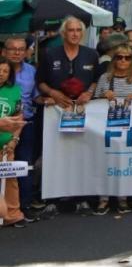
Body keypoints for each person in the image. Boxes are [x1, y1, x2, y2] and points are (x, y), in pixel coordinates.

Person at [37, 15, 101, 213]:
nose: (75, 34)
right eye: (71, 30)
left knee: (82, 154)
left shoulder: (91, 54)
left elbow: (96, 80)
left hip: (82, 112)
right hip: (56, 112)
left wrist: (89, 92)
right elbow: (40, 82)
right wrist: (53, 93)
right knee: (54, 155)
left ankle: (81, 198)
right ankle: (52, 198)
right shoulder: (49, 53)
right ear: (64, 33)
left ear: (83, 33)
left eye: (78, 30)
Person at [91, 41, 132, 215]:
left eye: (127, 58)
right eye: (119, 57)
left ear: (131, 60)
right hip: (107, 126)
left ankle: (123, 199)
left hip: (131, 128)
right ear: (113, 60)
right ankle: (103, 199)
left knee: (126, 162)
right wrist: (104, 95)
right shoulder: (105, 78)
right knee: (106, 162)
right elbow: (94, 103)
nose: (123, 60)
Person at [3, 36, 37, 221]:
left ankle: (24, 205)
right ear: (4, 51)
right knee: (5, 166)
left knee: (24, 164)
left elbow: (35, 96)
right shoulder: (1, 71)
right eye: (12, 49)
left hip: (26, 123)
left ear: (25, 52)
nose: (17, 52)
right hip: (3, 124)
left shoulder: (32, 70)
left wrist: (51, 98)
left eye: (21, 49)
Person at [0, 59, 24, 227]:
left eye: (5, 71)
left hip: (6, 145)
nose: (1, 74)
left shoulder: (15, 91)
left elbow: (19, 118)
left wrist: (14, 140)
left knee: (10, 179)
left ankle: (12, 215)